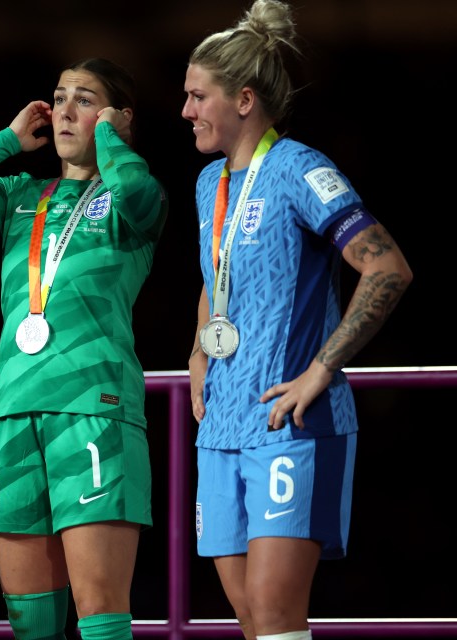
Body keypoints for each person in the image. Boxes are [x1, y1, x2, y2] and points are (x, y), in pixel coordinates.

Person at [181, 2, 413, 639]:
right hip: (222, 426)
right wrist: (201, 351)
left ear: (245, 99)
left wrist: (321, 370)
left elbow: (387, 268)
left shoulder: (301, 170)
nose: (187, 111)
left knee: (280, 616)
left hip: (293, 422)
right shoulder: (207, 183)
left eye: (199, 96)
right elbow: (216, 277)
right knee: (254, 621)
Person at [0, 58, 168, 640]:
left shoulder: (133, 203)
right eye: (59, 99)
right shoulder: (19, 197)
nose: (65, 112)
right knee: (30, 622)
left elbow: (133, 186)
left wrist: (109, 137)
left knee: (100, 606)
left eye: (86, 100)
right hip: (13, 412)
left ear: (117, 118)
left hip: (94, 410)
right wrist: (6, 141)